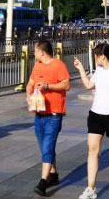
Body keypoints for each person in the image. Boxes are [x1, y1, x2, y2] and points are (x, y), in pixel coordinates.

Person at [73, 43, 109, 199]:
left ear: (102, 57)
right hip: (96, 115)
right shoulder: (98, 71)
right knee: (93, 151)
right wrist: (80, 69)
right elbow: (88, 85)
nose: (95, 58)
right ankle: (91, 188)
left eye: (96, 55)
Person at [27, 39, 71, 196]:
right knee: (45, 147)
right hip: (39, 114)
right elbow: (30, 83)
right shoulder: (38, 65)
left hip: (54, 114)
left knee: (47, 147)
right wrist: (29, 96)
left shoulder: (58, 65)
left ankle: (43, 182)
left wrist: (48, 86)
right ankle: (53, 174)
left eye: (35, 50)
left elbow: (66, 85)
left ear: (42, 52)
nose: (34, 53)